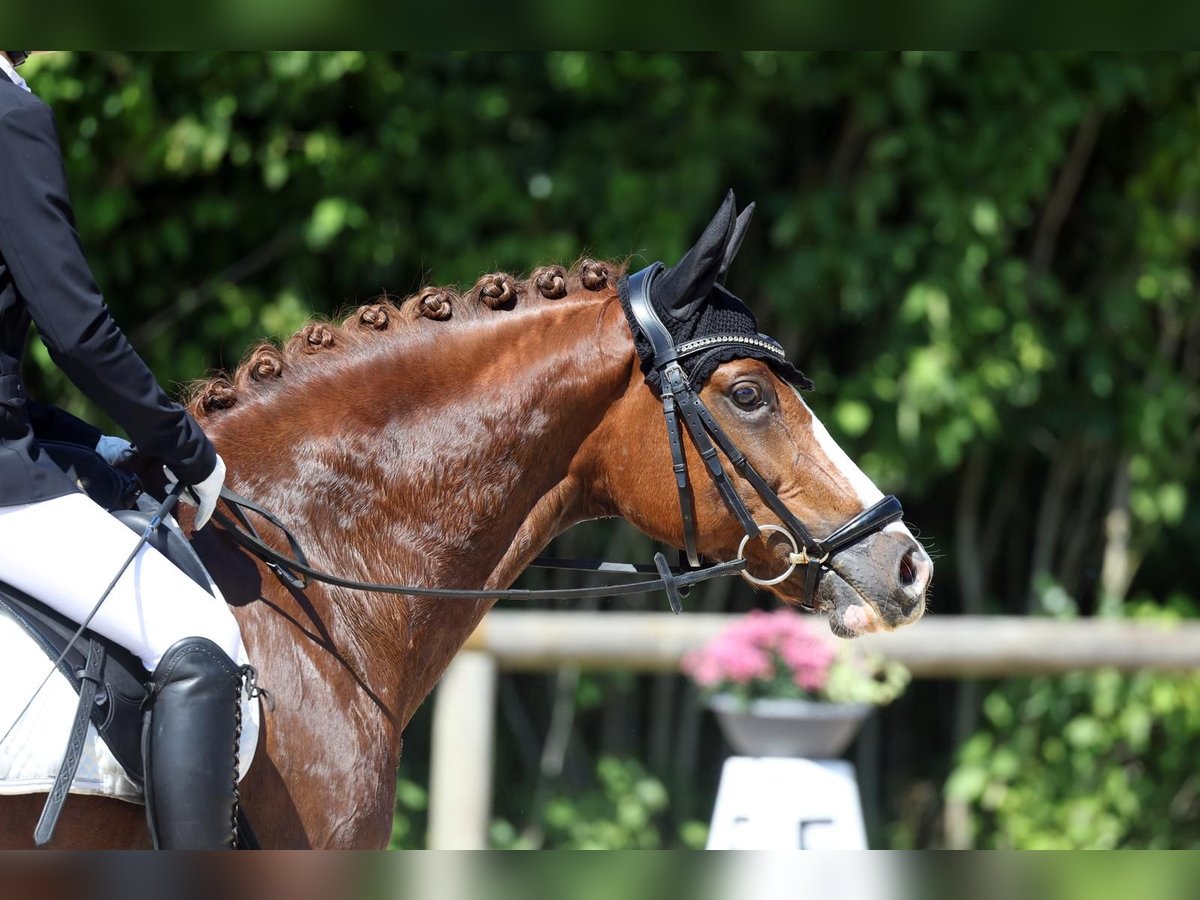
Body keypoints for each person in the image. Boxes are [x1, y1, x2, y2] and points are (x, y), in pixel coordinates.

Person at [0, 51, 247, 849]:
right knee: (197, 642)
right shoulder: (11, 115)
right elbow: (76, 331)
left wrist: (90, 444)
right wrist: (184, 446)